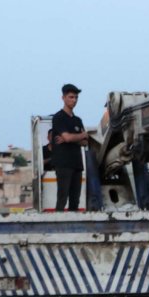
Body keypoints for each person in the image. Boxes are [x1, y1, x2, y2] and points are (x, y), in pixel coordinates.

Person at [51, 83, 99, 211]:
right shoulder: (58, 117)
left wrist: (71, 139)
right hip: (63, 164)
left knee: (75, 199)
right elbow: (71, 137)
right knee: (62, 197)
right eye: (71, 97)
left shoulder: (77, 120)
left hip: (77, 164)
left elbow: (84, 142)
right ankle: (58, 225)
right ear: (63, 98)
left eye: (76, 97)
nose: (74, 100)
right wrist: (81, 135)